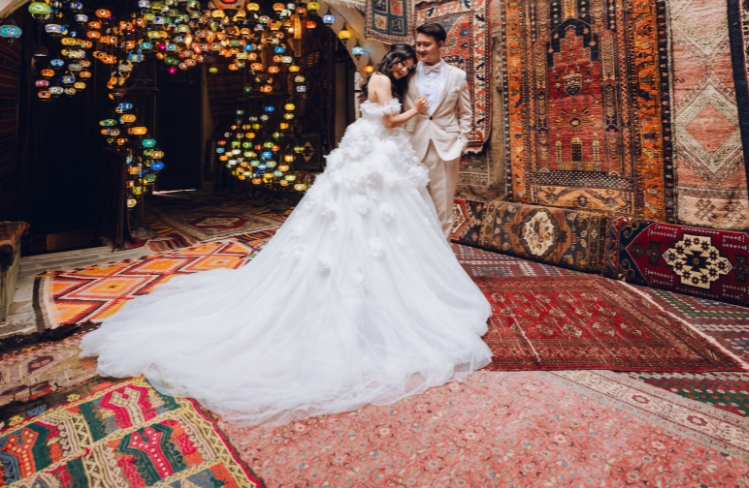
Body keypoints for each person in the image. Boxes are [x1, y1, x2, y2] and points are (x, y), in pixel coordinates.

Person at [80, 43, 492, 426]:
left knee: (388, 221)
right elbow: (387, 121)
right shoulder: (382, 80)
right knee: (356, 217)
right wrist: (415, 111)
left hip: (380, 153)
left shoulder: (393, 81)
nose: (403, 67)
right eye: (399, 61)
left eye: (407, 64)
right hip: (374, 152)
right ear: (389, 63)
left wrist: (412, 109)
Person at [406, 22, 474, 233]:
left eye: (426, 44)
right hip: (411, 146)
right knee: (411, 206)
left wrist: (461, 142)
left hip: (445, 148)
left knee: (442, 208)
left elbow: (466, 113)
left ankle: (443, 261)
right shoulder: (406, 72)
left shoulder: (457, 76)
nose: (420, 49)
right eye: (418, 44)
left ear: (441, 44)